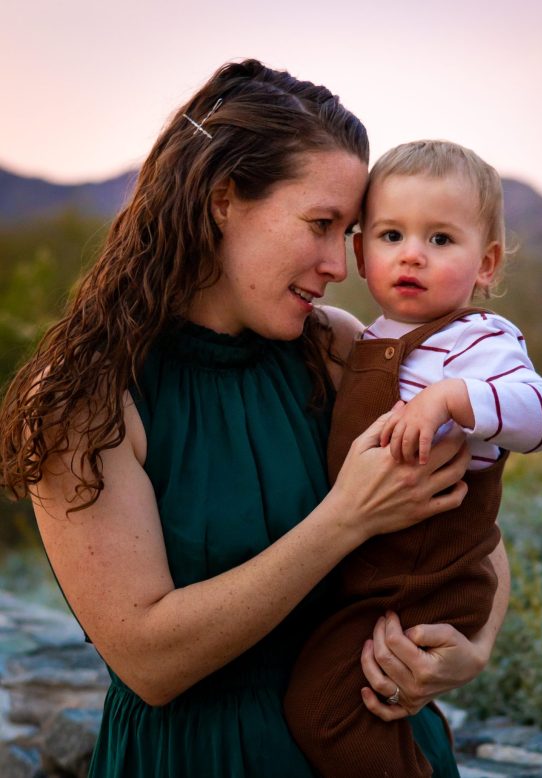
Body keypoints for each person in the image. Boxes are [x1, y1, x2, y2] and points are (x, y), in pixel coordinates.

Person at [0, 64, 510, 778]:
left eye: (353, 232)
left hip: (382, 747)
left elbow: (471, 523)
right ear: (222, 200)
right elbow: (149, 660)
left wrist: (472, 647)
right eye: (321, 225)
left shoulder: (337, 349)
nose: (341, 264)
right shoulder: (85, 401)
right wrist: (346, 518)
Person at [284, 140, 542, 777]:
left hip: (430, 581)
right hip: (373, 578)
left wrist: (453, 399)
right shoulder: (365, 340)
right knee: (343, 700)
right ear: (360, 252)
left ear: (486, 263)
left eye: (441, 240)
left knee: (327, 708)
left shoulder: (481, 342)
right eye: (390, 234)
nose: (412, 253)